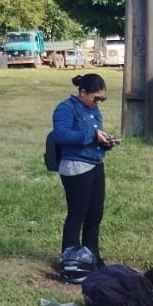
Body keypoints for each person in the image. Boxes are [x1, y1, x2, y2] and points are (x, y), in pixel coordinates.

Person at [52, 74, 118, 264]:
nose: (98, 103)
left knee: (95, 214)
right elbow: (61, 135)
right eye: (95, 98)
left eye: (102, 99)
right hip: (76, 167)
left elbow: (96, 134)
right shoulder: (66, 108)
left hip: (95, 163)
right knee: (77, 214)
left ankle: (92, 255)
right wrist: (92, 134)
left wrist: (105, 142)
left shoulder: (94, 110)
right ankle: (70, 257)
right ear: (82, 92)